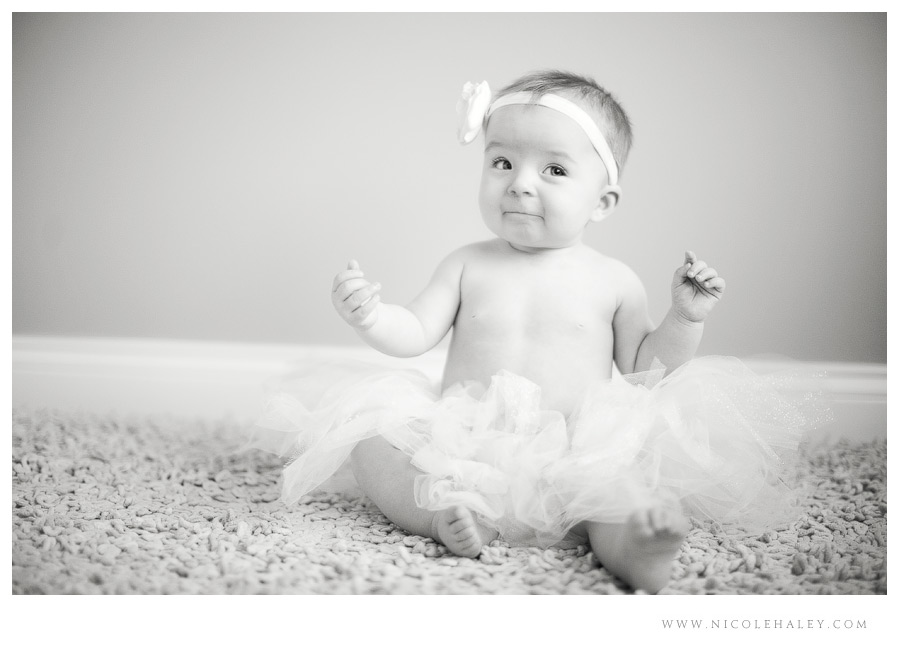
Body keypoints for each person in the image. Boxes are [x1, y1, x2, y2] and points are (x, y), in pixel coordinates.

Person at [249, 70, 815, 593]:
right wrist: (372, 315)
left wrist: (684, 318)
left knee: (615, 487)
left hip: (576, 445)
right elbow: (416, 332)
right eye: (502, 163)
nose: (520, 185)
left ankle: (636, 547)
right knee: (372, 440)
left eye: (554, 170)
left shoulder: (613, 281)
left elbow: (648, 373)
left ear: (603, 202)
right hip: (460, 438)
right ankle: (440, 515)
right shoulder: (466, 262)